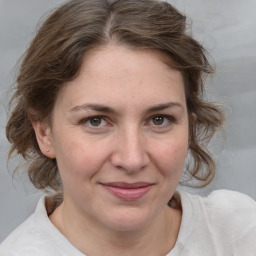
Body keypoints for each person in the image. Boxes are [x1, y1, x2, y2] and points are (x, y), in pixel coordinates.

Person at [1, 0, 256, 255]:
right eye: (96, 121)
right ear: (44, 133)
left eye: (159, 119)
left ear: (190, 129)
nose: (132, 159)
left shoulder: (240, 232)